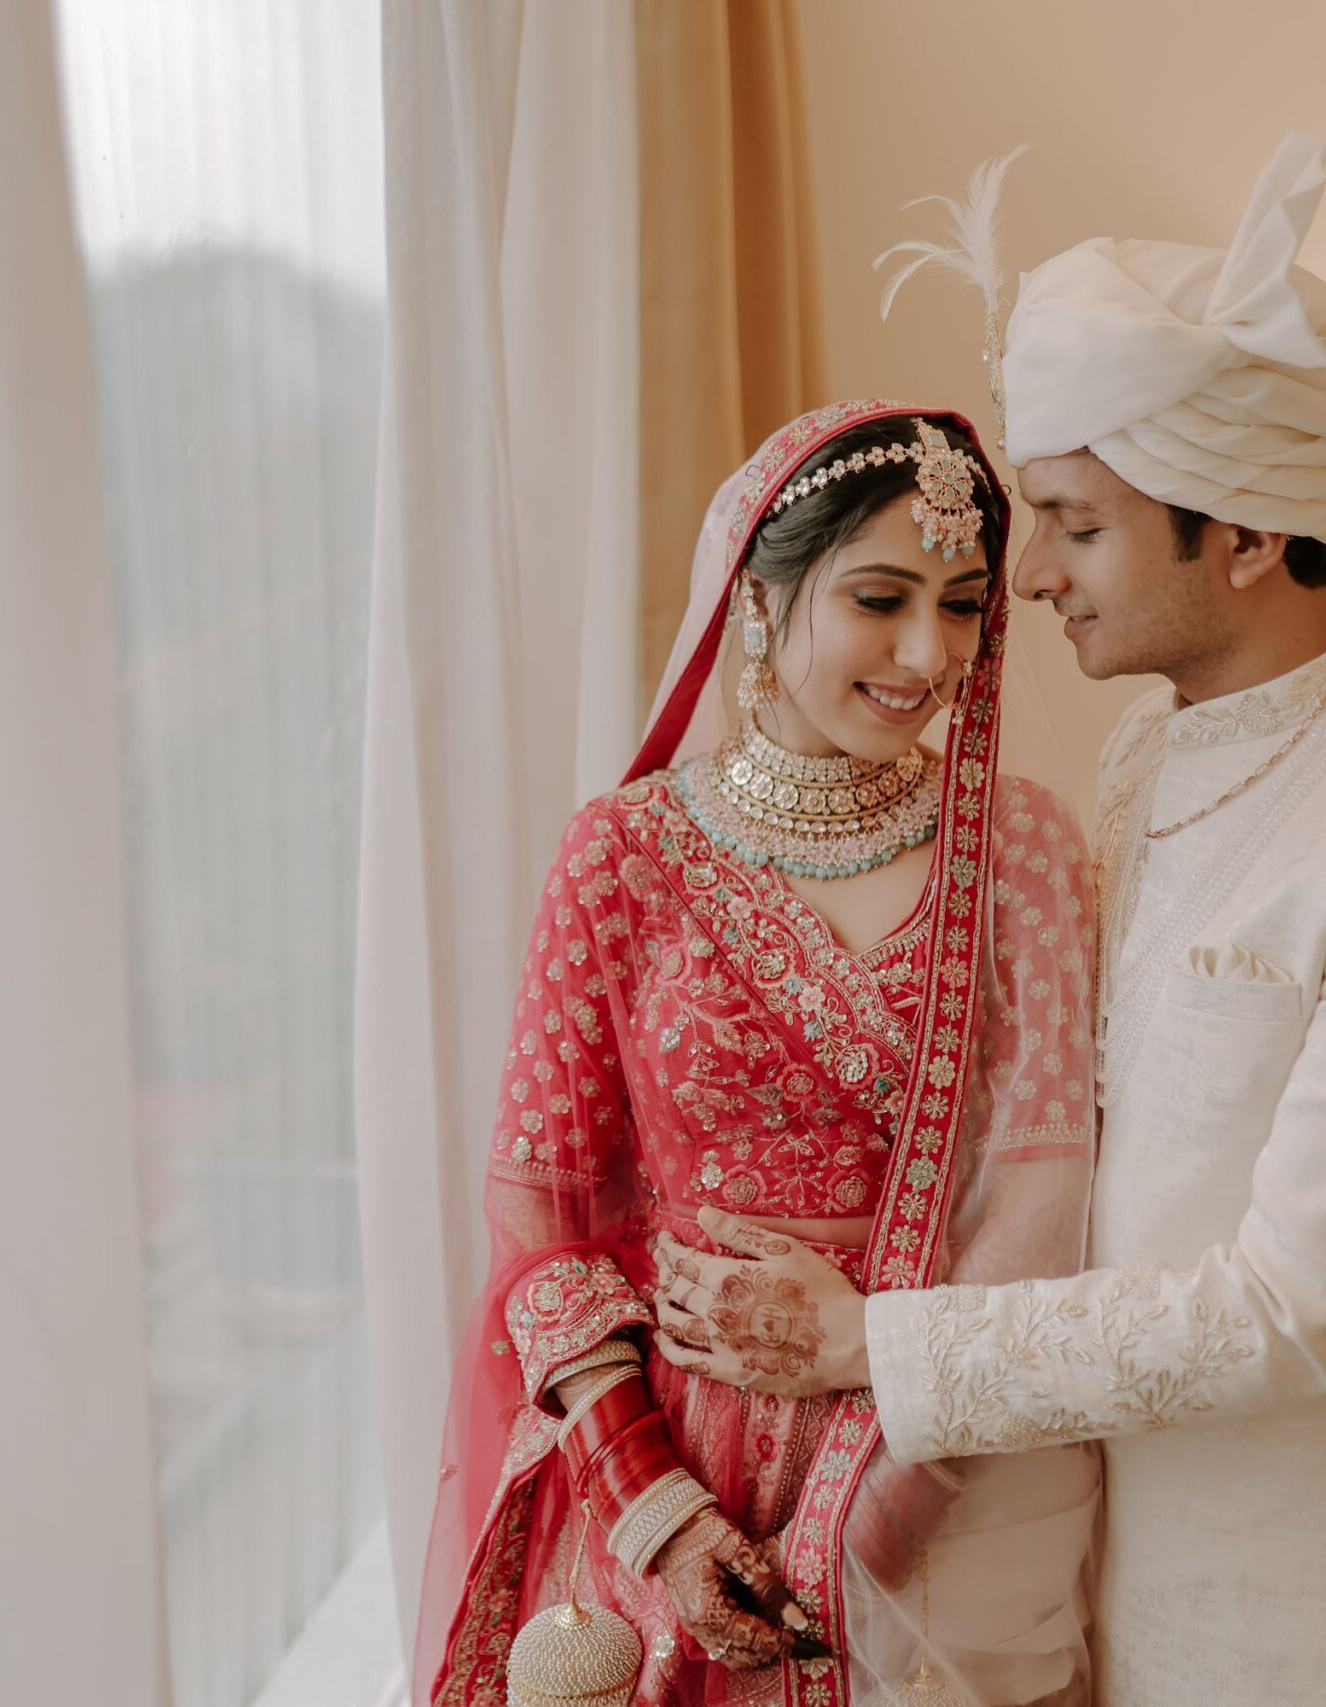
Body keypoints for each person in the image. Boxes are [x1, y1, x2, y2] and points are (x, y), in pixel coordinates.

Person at [654, 136, 1326, 1707]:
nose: (1026, 579)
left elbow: (1295, 1309)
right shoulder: (1142, 752)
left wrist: (868, 1348)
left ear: (1241, 534)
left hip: (1307, 1606)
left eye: (1077, 527)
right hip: (1070, 1561)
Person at [416, 399, 1105, 1707]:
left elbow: (1041, 1204)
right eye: (880, 597)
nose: (926, 652)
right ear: (758, 597)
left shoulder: (1017, 848)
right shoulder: (621, 856)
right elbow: (544, 1227)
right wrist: (662, 1519)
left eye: (962, 605)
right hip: (659, 1464)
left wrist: (866, 1510)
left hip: (939, 1466)